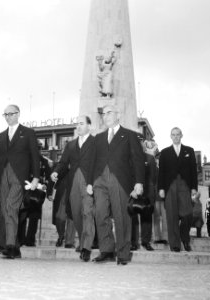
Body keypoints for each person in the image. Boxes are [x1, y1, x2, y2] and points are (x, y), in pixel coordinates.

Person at [87, 105, 145, 265]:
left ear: (118, 115)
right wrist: (90, 182)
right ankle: (106, 250)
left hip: (120, 180)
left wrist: (139, 183)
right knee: (100, 214)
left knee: (121, 216)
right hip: (100, 180)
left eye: (109, 113)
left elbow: (138, 160)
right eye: (103, 114)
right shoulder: (98, 138)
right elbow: (92, 161)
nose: (105, 116)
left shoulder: (129, 135)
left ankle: (123, 253)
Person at [0, 104, 40, 259]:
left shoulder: (28, 133)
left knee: (10, 206)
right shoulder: (1, 136)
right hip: (2, 177)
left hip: (19, 177)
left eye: (11, 114)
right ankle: (13, 246)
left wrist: (36, 177)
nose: (8, 117)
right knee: (7, 210)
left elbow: (35, 156)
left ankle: (11, 245)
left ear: (18, 114)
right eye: (5, 114)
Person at [51, 115, 95, 262]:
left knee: (87, 213)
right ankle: (83, 241)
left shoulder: (96, 142)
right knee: (75, 214)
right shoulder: (70, 145)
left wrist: (93, 183)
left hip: (89, 182)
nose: (79, 126)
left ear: (89, 126)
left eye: (82, 124)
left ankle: (86, 247)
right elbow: (63, 162)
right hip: (73, 183)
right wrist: (56, 172)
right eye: (77, 124)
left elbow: (99, 164)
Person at [158, 127, 198, 252]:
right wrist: (161, 188)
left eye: (178, 134)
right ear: (170, 136)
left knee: (187, 215)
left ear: (181, 135)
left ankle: (185, 239)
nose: (175, 137)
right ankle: (175, 244)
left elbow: (193, 171)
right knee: (172, 216)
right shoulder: (164, 152)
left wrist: (193, 188)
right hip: (170, 187)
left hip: (184, 186)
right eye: (173, 135)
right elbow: (161, 172)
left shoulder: (189, 151)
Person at [18, 146, 52, 247]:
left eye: (38, 149)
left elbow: (48, 178)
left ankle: (30, 240)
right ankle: (20, 239)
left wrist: (47, 189)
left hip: (38, 192)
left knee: (34, 217)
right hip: (25, 190)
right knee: (22, 215)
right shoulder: (24, 159)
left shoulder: (45, 161)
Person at [131, 139, 156, 251]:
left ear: (145, 148)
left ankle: (146, 242)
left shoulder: (150, 158)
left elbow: (154, 177)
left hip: (147, 193)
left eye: (141, 146)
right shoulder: (129, 159)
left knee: (146, 219)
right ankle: (133, 242)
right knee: (133, 219)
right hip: (133, 193)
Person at [153, 153, 168, 245]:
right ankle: (157, 237)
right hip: (155, 198)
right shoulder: (154, 169)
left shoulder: (166, 170)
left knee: (165, 219)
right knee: (156, 218)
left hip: (165, 198)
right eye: (157, 159)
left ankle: (165, 237)